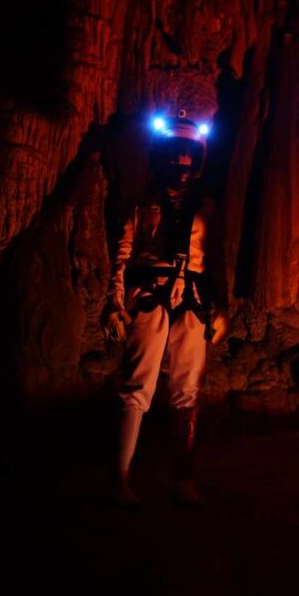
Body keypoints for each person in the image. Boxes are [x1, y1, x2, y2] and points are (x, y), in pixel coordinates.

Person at [102, 110, 229, 507]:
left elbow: (216, 259)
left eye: (189, 154)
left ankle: (182, 480)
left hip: (191, 301)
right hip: (150, 295)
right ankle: (119, 477)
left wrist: (222, 308)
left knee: (187, 390)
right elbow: (121, 255)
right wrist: (114, 300)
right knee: (137, 384)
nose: (182, 162)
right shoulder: (141, 205)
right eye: (174, 154)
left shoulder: (208, 209)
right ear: (160, 157)